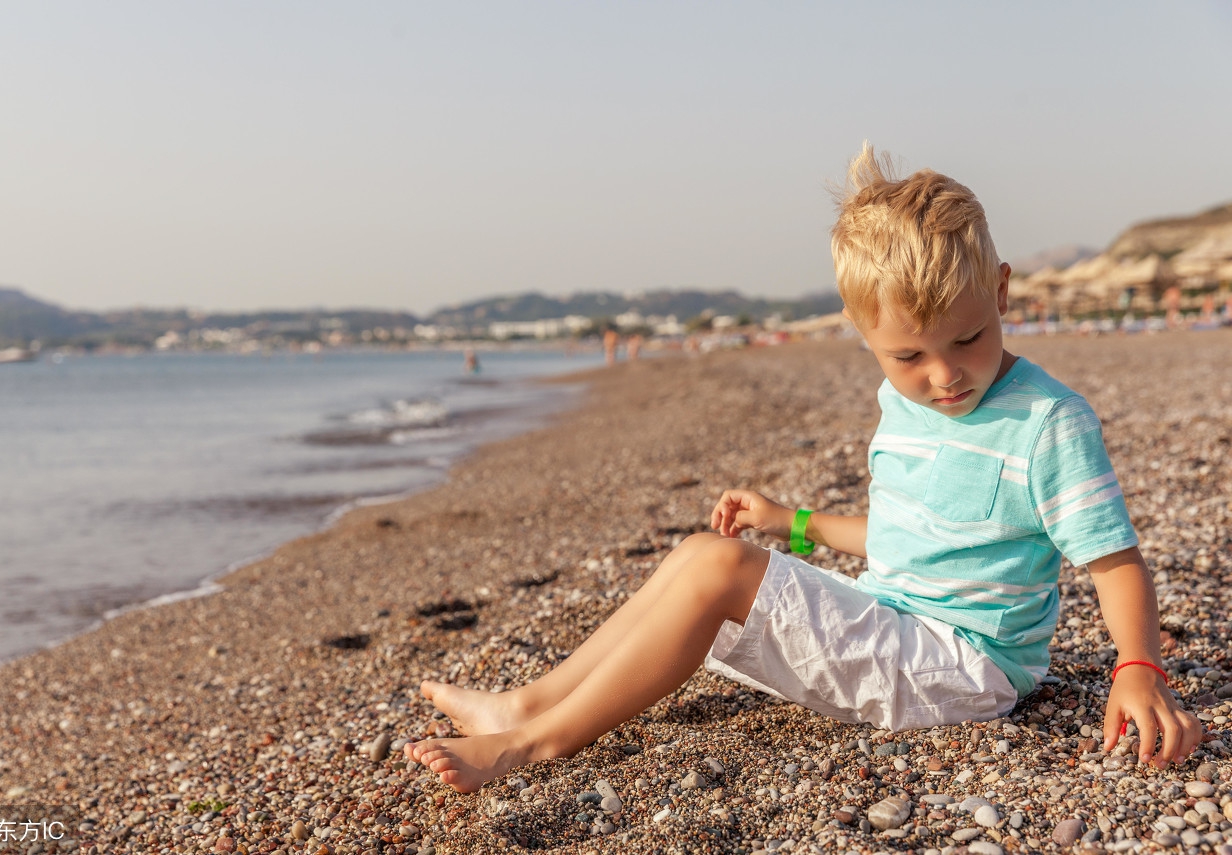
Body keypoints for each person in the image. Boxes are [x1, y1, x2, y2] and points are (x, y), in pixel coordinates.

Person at [405, 143, 1203, 793]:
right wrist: (791, 523)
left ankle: (534, 745)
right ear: (863, 335)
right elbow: (906, 536)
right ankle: (525, 700)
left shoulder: (1046, 421)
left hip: (967, 664)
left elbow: (1115, 560)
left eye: (967, 338)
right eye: (909, 355)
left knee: (717, 571)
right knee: (696, 555)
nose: (945, 374)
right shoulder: (906, 405)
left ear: (1000, 292)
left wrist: (1138, 666)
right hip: (897, 617)